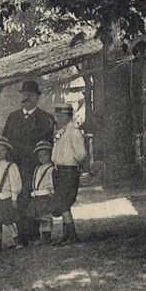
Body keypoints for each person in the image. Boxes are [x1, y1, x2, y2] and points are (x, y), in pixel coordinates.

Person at [1, 80, 56, 247]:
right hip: (16, 166)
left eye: (31, 95)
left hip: (36, 167)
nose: (27, 98)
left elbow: (49, 144)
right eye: (24, 95)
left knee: (35, 198)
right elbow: (5, 142)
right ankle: (22, 237)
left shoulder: (45, 118)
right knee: (17, 198)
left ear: (37, 98)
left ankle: (35, 235)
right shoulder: (13, 118)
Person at [52, 103, 88, 245]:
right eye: (57, 116)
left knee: (64, 203)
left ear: (68, 116)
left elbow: (81, 154)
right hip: (59, 170)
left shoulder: (74, 132)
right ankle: (67, 234)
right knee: (62, 203)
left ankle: (71, 234)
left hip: (69, 170)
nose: (58, 119)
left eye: (61, 116)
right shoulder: (62, 131)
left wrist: (73, 161)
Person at [26, 141, 57, 244]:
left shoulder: (51, 168)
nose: (42, 157)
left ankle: (46, 236)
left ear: (50, 155)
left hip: (46, 195)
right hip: (37, 195)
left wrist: (51, 191)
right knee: (36, 216)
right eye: (40, 156)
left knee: (46, 217)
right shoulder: (37, 168)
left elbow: (52, 182)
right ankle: (37, 236)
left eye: (45, 155)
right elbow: (34, 180)